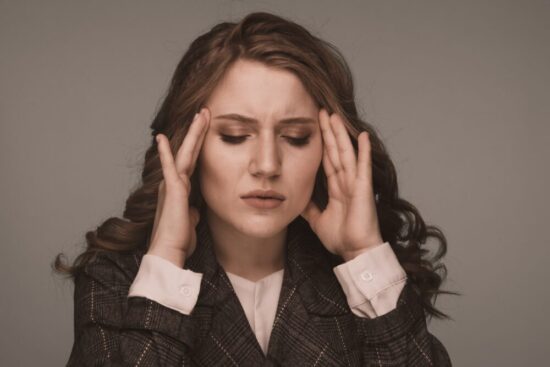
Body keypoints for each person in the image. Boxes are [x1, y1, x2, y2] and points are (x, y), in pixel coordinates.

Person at [53, 11, 455, 366]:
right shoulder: (116, 279)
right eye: (234, 135)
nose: (266, 165)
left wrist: (365, 255)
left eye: (295, 137)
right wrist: (168, 262)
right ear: (187, 147)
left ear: (329, 149)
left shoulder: (368, 280)